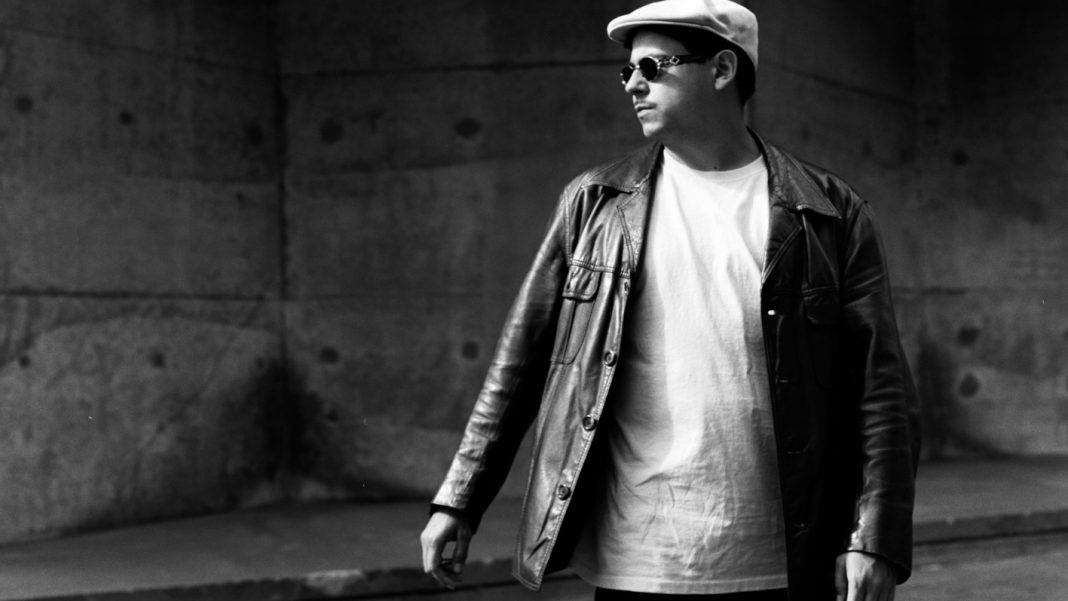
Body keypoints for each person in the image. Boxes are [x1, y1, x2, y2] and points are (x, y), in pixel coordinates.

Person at [420, 0, 920, 599]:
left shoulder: (830, 212)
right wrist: (459, 499)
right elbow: (520, 360)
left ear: (722, 69)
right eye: (627, 70)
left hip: (783, 558)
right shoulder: (595, 203)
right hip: (638, 554)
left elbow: (881, 390)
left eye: (653, 67)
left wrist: (874, 537)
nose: (632, 84)